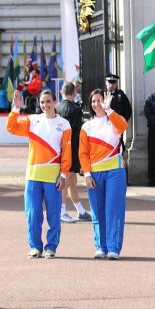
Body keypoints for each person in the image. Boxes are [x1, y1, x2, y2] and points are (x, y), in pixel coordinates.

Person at [7, 89, 71, 259]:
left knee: (53, 215)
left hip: (53, 176)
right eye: (42, 102)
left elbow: (66, 152)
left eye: (48, 101)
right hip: (33, 175)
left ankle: (51, 247)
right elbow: (11, 127)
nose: (45, 105)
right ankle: (35, 247)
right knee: (33, 214)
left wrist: (64, 175)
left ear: (55, 102)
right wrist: (16, 109)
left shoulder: (64, 124)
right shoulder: (33, 120)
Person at [79, 88, 130, 259]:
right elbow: (83, 153)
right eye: (93, 101)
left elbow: (124, 126)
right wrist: (87, 174)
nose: (96, 104)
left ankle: (114, 248)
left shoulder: (114, 121)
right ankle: (101, 247)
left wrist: (109, 109)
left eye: (99, 100)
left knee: (113, 209)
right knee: (98, 211)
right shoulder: (87, 126)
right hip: (95, 174)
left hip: (115, 172)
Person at [56, 82, 91, 223]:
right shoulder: (76, 109)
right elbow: (76, 132)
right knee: (67, 179)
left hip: (60, 147)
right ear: (74, 93)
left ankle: (80, 210)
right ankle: (62, 211)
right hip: (72, 148)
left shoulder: (57, 108)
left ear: (61, 92)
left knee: (71, 180)